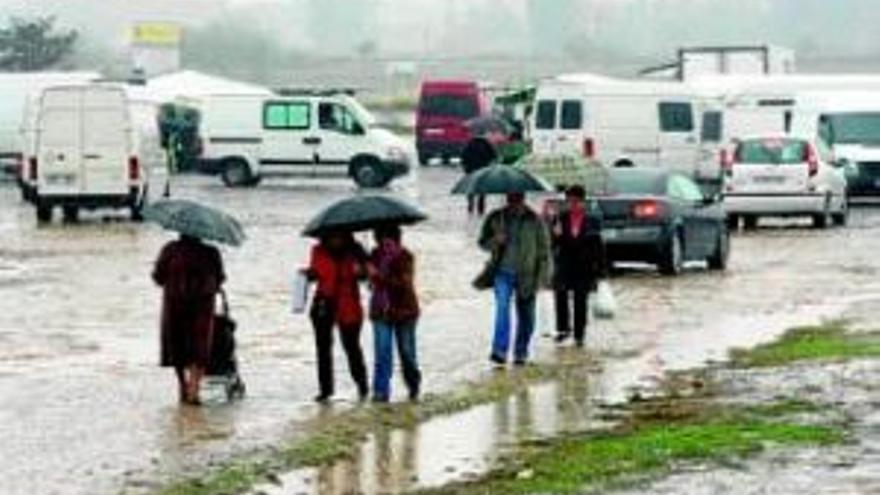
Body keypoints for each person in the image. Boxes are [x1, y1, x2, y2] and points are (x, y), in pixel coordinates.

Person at [478, 192, 552, 366]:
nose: (514, 203)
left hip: (528, 274)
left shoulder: (535, 220)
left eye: (517, 199)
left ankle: (521, 352)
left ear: (523, 199)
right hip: (502, 273)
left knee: (527, 317)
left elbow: (544, 251)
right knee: (502, 310)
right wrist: (496, 240)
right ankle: (500, 351)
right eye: (511, 199)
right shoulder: (496, 217)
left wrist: (543, 277)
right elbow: (482, 242)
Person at [153, 234, 226, 405]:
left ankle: (182, 385)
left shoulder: (170, 249)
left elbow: (158, 276)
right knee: (199, 347)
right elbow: (220, 278)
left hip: (175, 304)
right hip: (202, 306)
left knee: (177, 346)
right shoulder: (211, 252)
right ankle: (194, 386)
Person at [306, 232, 369, 403]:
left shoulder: (356, 251)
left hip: (349, 303)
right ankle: (326, 390)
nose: (335, 239)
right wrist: (309, 274)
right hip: (323, 304)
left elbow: (367, 275)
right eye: (332, 235)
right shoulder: (318, 251)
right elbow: (315, 273)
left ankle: (362, 385)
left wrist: (361, 270)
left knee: (351, 346)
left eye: (338, 235)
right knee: (323, 348)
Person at [366, 225, 421, 402]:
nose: (385, 242)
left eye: (389, 238)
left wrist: (378, 276)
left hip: (405, 312)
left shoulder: (405, 257)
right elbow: (368, 281)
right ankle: (381, 391)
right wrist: (364, 272)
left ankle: (413, 383)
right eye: (382, 238)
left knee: (407, 353)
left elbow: (403, 284)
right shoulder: (373, 256)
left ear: (397, 239)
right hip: (380, 311)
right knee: (382, 352)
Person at [551, 185, 606, 347]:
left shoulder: (592, 219)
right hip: (564, 263)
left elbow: (599, 246)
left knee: (580, 300)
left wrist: (601, 270)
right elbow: (553, 244)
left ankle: (579, 334)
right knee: (560, 295)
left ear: (583, 201)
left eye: (576, 201)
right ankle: (562, 329)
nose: (573, 204)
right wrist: (555, 235)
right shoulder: (560, 218)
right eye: (570, 201)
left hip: (584, 265)